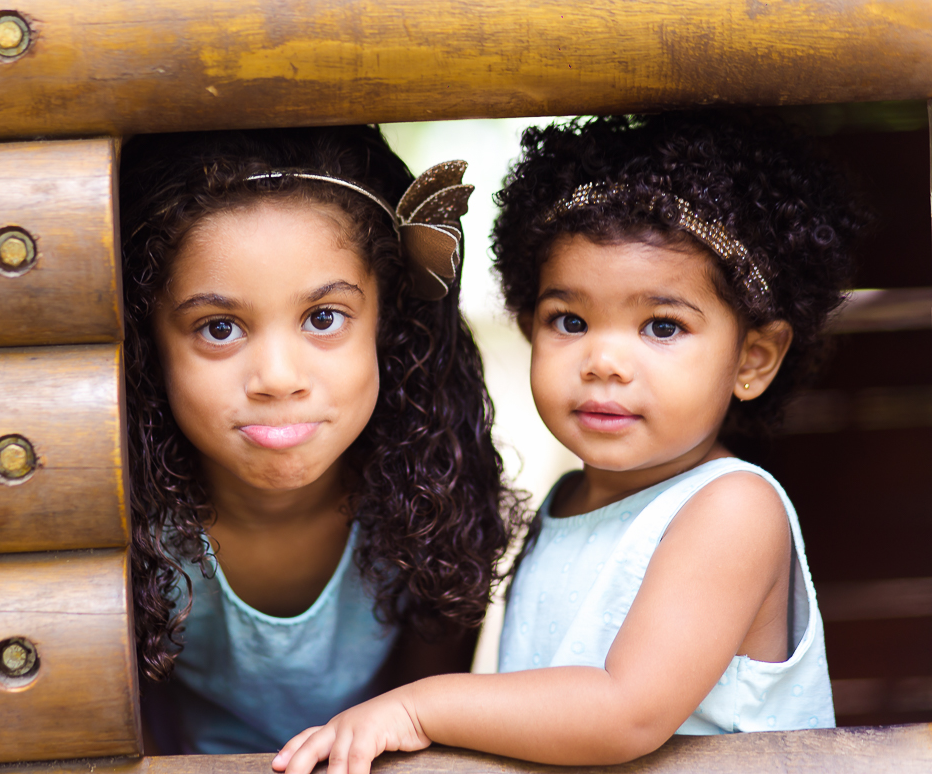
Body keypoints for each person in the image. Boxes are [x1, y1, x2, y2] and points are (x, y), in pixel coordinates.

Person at [273, 112, 869, 773]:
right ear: (530, 326)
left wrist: (417, 707)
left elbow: (624, 711)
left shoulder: (732, 510)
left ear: (753, 359)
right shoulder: (566, 501)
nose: (604, 360)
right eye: (571, 320)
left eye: (663, 326)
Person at [119, 125, 518, 755]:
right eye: (219, 328)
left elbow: (427, 720)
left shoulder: (431, 502)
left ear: (388, 328)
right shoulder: (132, 524)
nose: (278, 378)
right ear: (149, 345)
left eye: (324, 318)